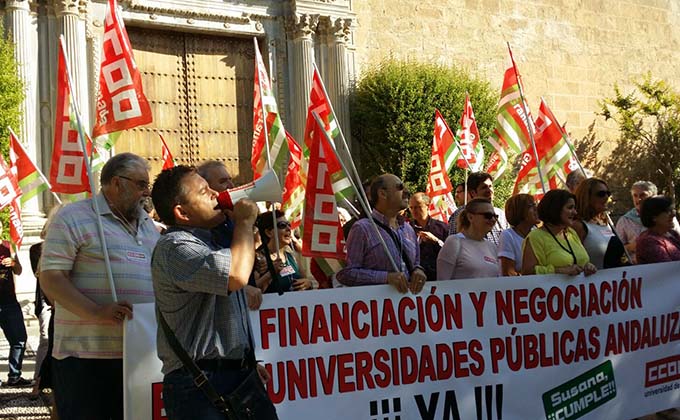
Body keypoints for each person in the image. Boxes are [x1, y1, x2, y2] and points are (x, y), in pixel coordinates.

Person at [150, 165, 277, 420]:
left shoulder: (212, 239)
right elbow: (236, 275)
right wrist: (243, 221)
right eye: (204, 192)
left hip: (237, 375)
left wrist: (249, 360)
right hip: (200, 384)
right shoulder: (174, 247)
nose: (216, 195)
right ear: (182, 212)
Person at [40, 152, 160, 419]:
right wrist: (95, 312)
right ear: (117, 183)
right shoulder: (73, 217)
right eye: (141, 184)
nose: (146, 192)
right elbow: (51, 277)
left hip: (138, 355)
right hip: (86, 359)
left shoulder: (148, 225)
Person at [336, 174, 427, 294]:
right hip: (376, 310)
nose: (406, 191)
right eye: (400, 187)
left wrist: (418, 271)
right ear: (382, 194)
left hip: (407, 308)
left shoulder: (408, 229)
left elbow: (416, 264)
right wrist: (386, 278)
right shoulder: (362, 229)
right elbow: (346, 274)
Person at [197, 159, 263, 308]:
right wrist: (241, 290)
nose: (231, 187)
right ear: (208, 190)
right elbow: (214, 273)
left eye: (230, 180)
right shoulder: (204, 228)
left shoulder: (231, 220)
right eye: (223, 181)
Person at [521, 189, 597, 276]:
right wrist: (559, 271)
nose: (575, 212)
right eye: (570, 208)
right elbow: (527, 272)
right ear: (555, 209)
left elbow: (582, 261)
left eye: (575, 208)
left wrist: (588, 267)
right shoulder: (536, 237)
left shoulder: (571, 233)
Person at [29, 205, 62, 396]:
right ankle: (38, 382)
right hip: (52, 307)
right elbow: (43, 278)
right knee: (46, 343)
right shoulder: (39, 250)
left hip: (66, 313)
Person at [437, 198, 500, 280]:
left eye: (495, 216)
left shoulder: (492, 247)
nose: (493, 220)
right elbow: (442, 282)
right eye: (488, 216)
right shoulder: (454, 242)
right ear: (470, 217)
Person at [255, 210, 317, 293]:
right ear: (269, 232)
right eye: (282, 225)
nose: (288, 229)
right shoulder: (258, 258)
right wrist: (270, 274)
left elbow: (305, 279)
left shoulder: (291, 255)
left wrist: (308, 283)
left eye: (289, 225)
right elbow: (251, 290)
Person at [572, 178, 628, 269]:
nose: (606, 197)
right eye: (601, 194)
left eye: (608, 193)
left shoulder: (606, 224)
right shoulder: (578, 226)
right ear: (586, 197)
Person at [0, 220, 30, 387]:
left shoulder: (8, 246)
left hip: (9, 301)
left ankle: (15, 375)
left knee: (19, 339)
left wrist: (13, 263)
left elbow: (19, 270)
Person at [447, 172, 508, 246]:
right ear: (473, 193)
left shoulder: (500, 214)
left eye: (490, 186)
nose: (489, 191)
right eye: (484, 187)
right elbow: (454, 244)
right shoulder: (461, 214)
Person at [408, 193, 448, 281]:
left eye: (418, 207)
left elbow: (451, 253)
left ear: (427, 206)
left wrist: (436, 241)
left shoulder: (442, 227)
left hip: (439, 278)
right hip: (415, 280)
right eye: (411, 207)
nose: (414, 210)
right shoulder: (406, 229)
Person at [615, 181, 659, 263]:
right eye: (635, 195)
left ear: (653, 196)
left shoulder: (665, 216)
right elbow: (617, 251)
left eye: (643, 195)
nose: (638, 199)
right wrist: (632, 247)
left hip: (665, 266)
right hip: (637, 269)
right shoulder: (625, 221)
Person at [498, 194, 537, 276]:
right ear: (520, 211)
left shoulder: (538, 234)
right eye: (531, 206)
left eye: (535, 205)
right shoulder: (508, 236)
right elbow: (508, 272)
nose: (536, 209)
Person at [636, 196, 680, 264]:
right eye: (668, 211)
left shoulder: (672, 234)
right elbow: (668, 268)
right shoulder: (648, 241)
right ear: (654, 217)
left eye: (673, 210)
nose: (673, 214)